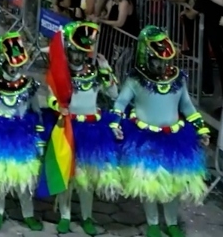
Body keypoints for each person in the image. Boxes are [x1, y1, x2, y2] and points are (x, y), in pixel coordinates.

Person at [113, 26, 209, 237]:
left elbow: (187, 106)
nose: (163, 65)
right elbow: (120, 103)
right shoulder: (135, 79)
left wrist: (201, 128)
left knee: (173, 184)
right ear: (146, 56)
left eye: (165, 60)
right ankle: (153, 224)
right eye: (157, 60)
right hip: (144, 139)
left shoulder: (178, 79)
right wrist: (115, 123)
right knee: (149, 184)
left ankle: (172, 222)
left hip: (175, 139)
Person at [49, 21, 121, 235]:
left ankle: (87, 217)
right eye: (74, 51)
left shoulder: (96, 72)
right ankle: (64, 216)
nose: (78, 56)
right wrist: (58, 108)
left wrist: (107, 69)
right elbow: (51, 97)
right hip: (67, 128)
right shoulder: (59, 73)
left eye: (82, 51)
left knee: (87, 179)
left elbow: (113, 94)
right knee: (67, 177)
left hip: (92, 131)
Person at [0, 32, 43, 231]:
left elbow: (37, 112)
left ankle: (28, 213)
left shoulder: (29, 85)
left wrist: (40, 140)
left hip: (23, 136)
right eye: (10, 64)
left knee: (24, 176)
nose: (15, 68)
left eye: (17, 64)